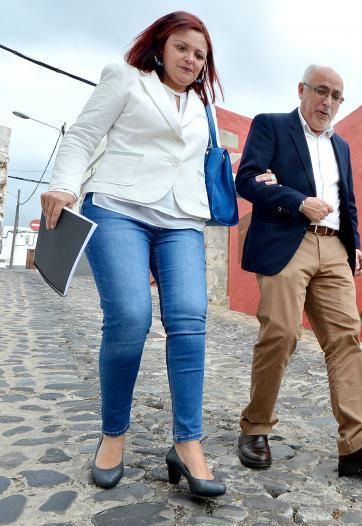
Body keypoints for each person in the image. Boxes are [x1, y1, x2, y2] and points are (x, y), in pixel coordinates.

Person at [42, 11, 230, 497]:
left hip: (182, 220)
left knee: (190, 317)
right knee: (129, 315)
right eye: (184, 48)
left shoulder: (201, 107)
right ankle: (113, 435)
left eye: (201, 55)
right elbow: (83, 135)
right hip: (119, 207)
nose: (192, 59)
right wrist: (62, 186)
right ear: (162, 46)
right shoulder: (126, 79)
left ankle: (188, 444)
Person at [235, 64, 362, 476]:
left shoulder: (343, 147)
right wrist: (297, 200)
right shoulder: (272, 126)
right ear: (302, 90)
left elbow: (346, 200)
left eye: (336, 96)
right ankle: (255, 427)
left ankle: (358, 441)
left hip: (333, 247)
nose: (328, 101)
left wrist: (355, 247)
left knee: (346, 338)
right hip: (287, 241)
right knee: (281, 331)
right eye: (321, 91)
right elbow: (246, 180)